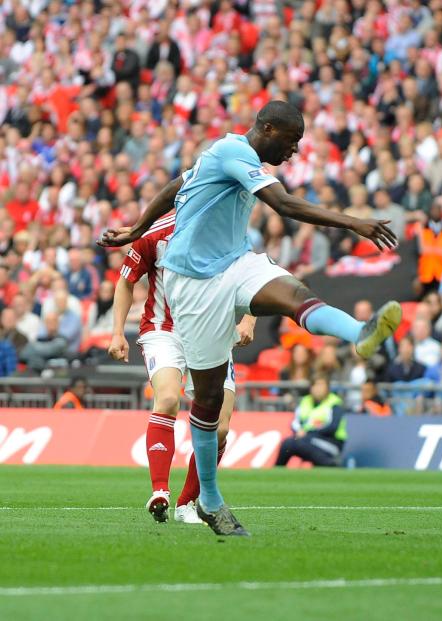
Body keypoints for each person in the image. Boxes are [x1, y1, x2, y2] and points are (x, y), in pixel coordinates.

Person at [99, 101, 402, 537]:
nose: (295, 151)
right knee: (204, 401)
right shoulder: (231, 152)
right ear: (269, 128)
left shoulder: (222, 156)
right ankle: (209, 499)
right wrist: (354, 223)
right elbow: (282, 204)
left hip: (236, 263)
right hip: (192, 285)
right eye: (292, 141)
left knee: (295, 295)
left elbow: (174, 186)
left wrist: (135, 225)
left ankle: (360, 333)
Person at [107, 212, 254, 525]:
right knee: (168, 398)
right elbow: (126, 280)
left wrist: (249, 319)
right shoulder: (155, 233)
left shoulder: (228, 230)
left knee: (222, 428)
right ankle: (160, 490)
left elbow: (252, 280)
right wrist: (118, 331)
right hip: (164, 330)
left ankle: (188, 503)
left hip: (213, 332)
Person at [274, 376, 346, 467]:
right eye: (316, 385)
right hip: (307, 439)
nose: (318, 389)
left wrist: (309, 433)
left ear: (327, 388)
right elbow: (295, 422)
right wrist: (299, 431)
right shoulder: (305, 401)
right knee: (288, 443)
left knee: (299, 443)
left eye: (321, 385)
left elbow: (332, 427)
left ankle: (329, 464)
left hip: (329, 442)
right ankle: (277, 469)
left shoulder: (334, 404)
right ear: (311, 388)